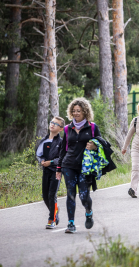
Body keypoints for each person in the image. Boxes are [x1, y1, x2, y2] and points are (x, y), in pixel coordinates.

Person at [56, 98, 101, 234]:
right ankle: (71, 223)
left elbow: (102, 144)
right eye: (74, 111)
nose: (76, 113)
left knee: (83, 195)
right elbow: (63, 149)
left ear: (85, 111)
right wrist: (59, 168)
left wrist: (94, 145)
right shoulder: (67, 128)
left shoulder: (92, 127)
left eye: (79, 111)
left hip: (85, 167)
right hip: (68, 165)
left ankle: (88, 212)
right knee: (70, 194)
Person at [36, 116, 65, 229]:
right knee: (45, 196)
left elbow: (62, 158)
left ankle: (51, 219)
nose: (52, 124)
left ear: (61, 129)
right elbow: (39, 154)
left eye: (56, 124)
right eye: (51, 122)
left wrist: (51, 162)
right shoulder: (44, 140)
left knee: (52, 195)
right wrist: (42, 161)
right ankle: (55, 211)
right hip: (46, 171)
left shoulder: (61, 142)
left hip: (56, 172)